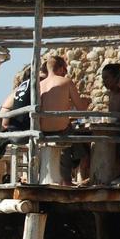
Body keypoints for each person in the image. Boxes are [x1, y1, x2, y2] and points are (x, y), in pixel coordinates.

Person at [37, 55, 88, 185]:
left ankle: (65, 178)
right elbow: (82, 110)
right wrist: (85, 102)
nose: (65, 72)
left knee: (70, 137)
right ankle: (69, 179)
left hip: (42, 130)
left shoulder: (40, 85)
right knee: (83, 144)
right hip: (61, 130)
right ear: (60, 68)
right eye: (65, 69)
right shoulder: (66, 82)